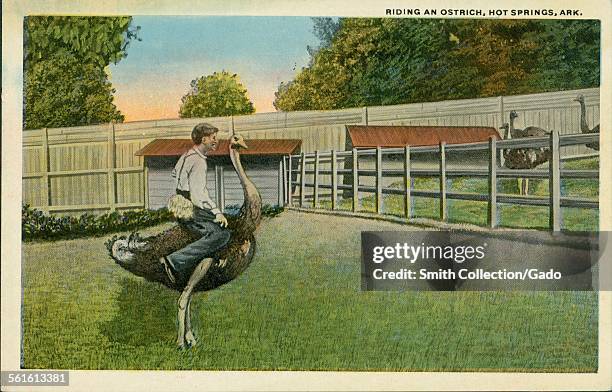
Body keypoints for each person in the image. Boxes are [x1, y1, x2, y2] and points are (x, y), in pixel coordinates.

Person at [160, 123, 230, 284]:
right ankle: (173, 261)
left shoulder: (187, 155)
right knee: (222, 234)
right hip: (191, 208)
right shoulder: (199, 162)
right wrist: (217, 212)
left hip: (181, 206)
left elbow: (174, 174)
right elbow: (199, 196)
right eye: (213, 138)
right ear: (204, 139)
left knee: (218, 229)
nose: (216, 141)